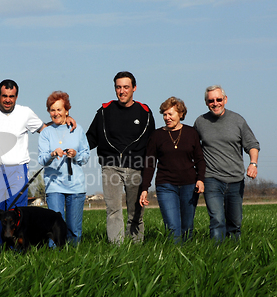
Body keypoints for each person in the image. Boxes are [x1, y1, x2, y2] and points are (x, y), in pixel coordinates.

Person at [0, 79, 76, 245]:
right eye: (4, 96)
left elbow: (44, 129)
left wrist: (64, 119)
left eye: (11, 96)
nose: (8, 99)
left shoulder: (25, 113)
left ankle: (18, 250)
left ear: (16, 96)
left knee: (17, 215)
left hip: (17, 171)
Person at [86, 71, 155, 244]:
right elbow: (89, 139)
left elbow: (152, 145)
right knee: (113, 210)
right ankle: (117, 249)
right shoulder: (104, 111)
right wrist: (70, 146)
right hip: (111, 166)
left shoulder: (145, 112)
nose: (122, 91)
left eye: (126, 87)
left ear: (134, 88)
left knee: (136, 212)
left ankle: (136, 247)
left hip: (136, 166)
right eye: (118, 87)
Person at [194, 85, 259, 242]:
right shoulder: (200, 122)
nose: (215, 103)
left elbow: (252, 144)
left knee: (235, 222)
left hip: (235, 179)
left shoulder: (237, 120)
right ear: (206, 102)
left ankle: (234, 254)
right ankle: (217, 256)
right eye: (211, 100)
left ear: (225, 100)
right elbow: (193, 148)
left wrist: (253, 164)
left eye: (218, 99)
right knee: (217, 220)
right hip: (211, 178)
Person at [139, 97, 205, 242]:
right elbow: (150, 163)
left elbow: (200, 159)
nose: (167, 118)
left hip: (189, 185)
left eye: (170, 114)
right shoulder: (157, 135)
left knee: (187, 227)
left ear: (180, 114)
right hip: (166, 185)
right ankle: (173, 257)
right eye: (164, 114)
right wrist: (145, 188)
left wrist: (200, 179)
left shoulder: (191, 133)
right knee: (173, 227)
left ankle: (188, 256)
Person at [38, 91, 90, 245]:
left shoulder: (77, 129)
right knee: (53, 227)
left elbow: (86, 155)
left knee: (74, 229)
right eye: (52, 110)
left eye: (59, 109)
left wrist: (75, 155)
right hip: (54, 187)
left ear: (67, 111)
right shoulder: (46, 133)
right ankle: (54, 259)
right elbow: (42, 159)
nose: (56, 113)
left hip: (75, 186)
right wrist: (52, 154)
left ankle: (74, 259)